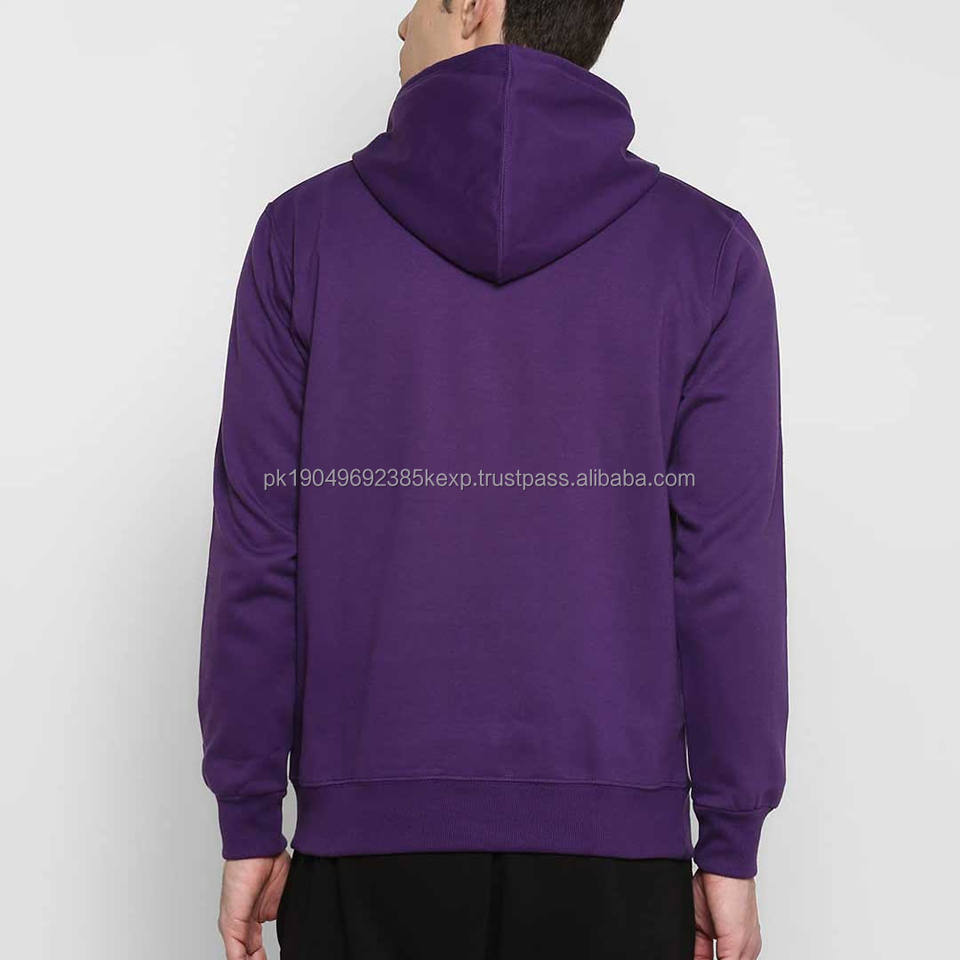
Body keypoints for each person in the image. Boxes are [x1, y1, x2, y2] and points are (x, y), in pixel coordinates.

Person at [199, 1, 788, 957]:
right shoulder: (706, 252)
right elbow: (729, 571)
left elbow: (258, 548)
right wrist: (731, 842)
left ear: (474, 7)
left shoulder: (301, 237)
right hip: (617, 860)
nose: (402, 23)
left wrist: (250, 815)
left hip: (368, 852)